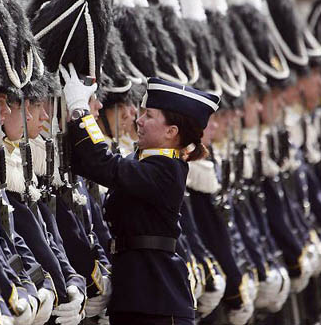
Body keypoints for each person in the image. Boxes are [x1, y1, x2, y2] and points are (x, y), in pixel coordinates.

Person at [61, 64, 220, 325]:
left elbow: (104, 164)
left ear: (171, 132)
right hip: (138, 295)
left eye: (149, 115)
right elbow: (89, 162)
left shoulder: (166, 168)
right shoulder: (149, 162)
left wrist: (81, 111)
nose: (139, 120)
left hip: (155, 300)